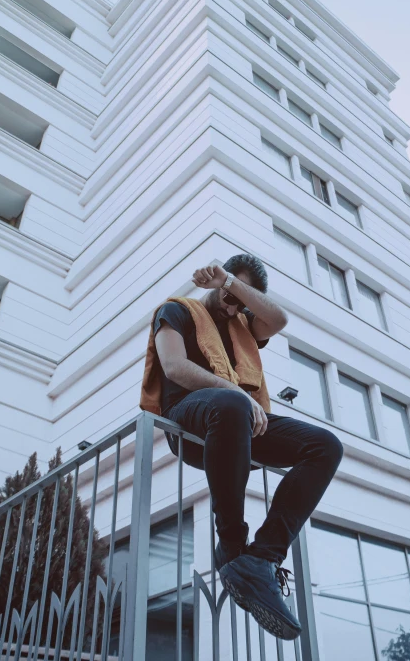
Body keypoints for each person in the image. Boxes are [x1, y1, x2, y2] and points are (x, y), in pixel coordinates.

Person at [140, 254, 343, 641]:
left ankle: (262, 557)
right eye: (228, 296)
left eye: (240, 301)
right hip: (189, 417)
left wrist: (231, 286)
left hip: (239, 425)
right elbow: (173, 367)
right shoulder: (175, 311)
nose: (233, 307)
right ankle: (232, 548)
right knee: (233, 403)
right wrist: (236, 392)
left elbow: (279, 320)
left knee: (325, 446)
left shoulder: (242, 326)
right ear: (213, 285)